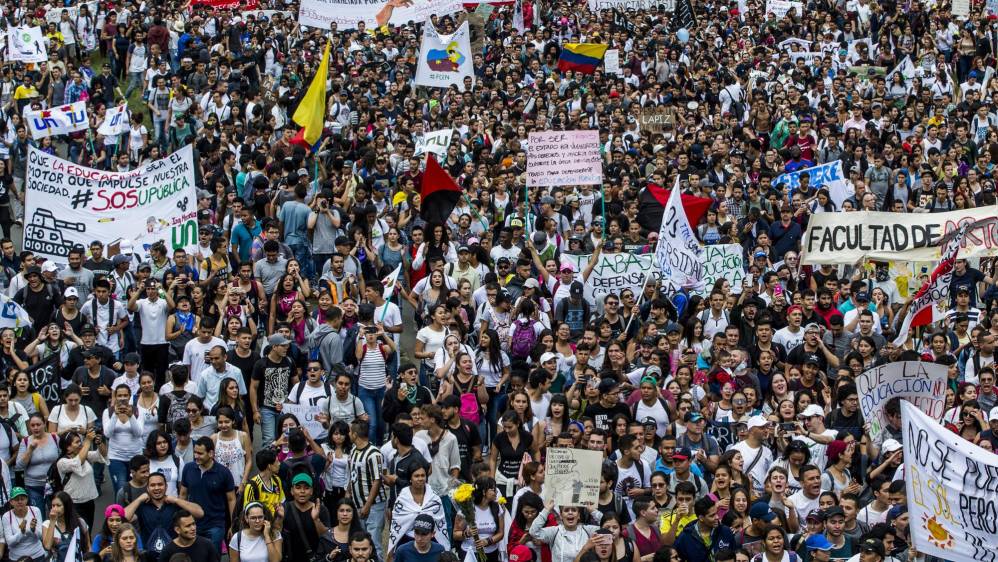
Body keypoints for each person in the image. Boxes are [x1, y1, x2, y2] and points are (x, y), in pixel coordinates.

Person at [179, 436, 235, 547]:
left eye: (200, 454)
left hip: (215, 525)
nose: (196, 456)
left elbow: (231, 499)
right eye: (195, 453)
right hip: (193, 524)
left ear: (211, 453)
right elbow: (183, 494)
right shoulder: (188, 468)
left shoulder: (223, 473)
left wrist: (232, 524)